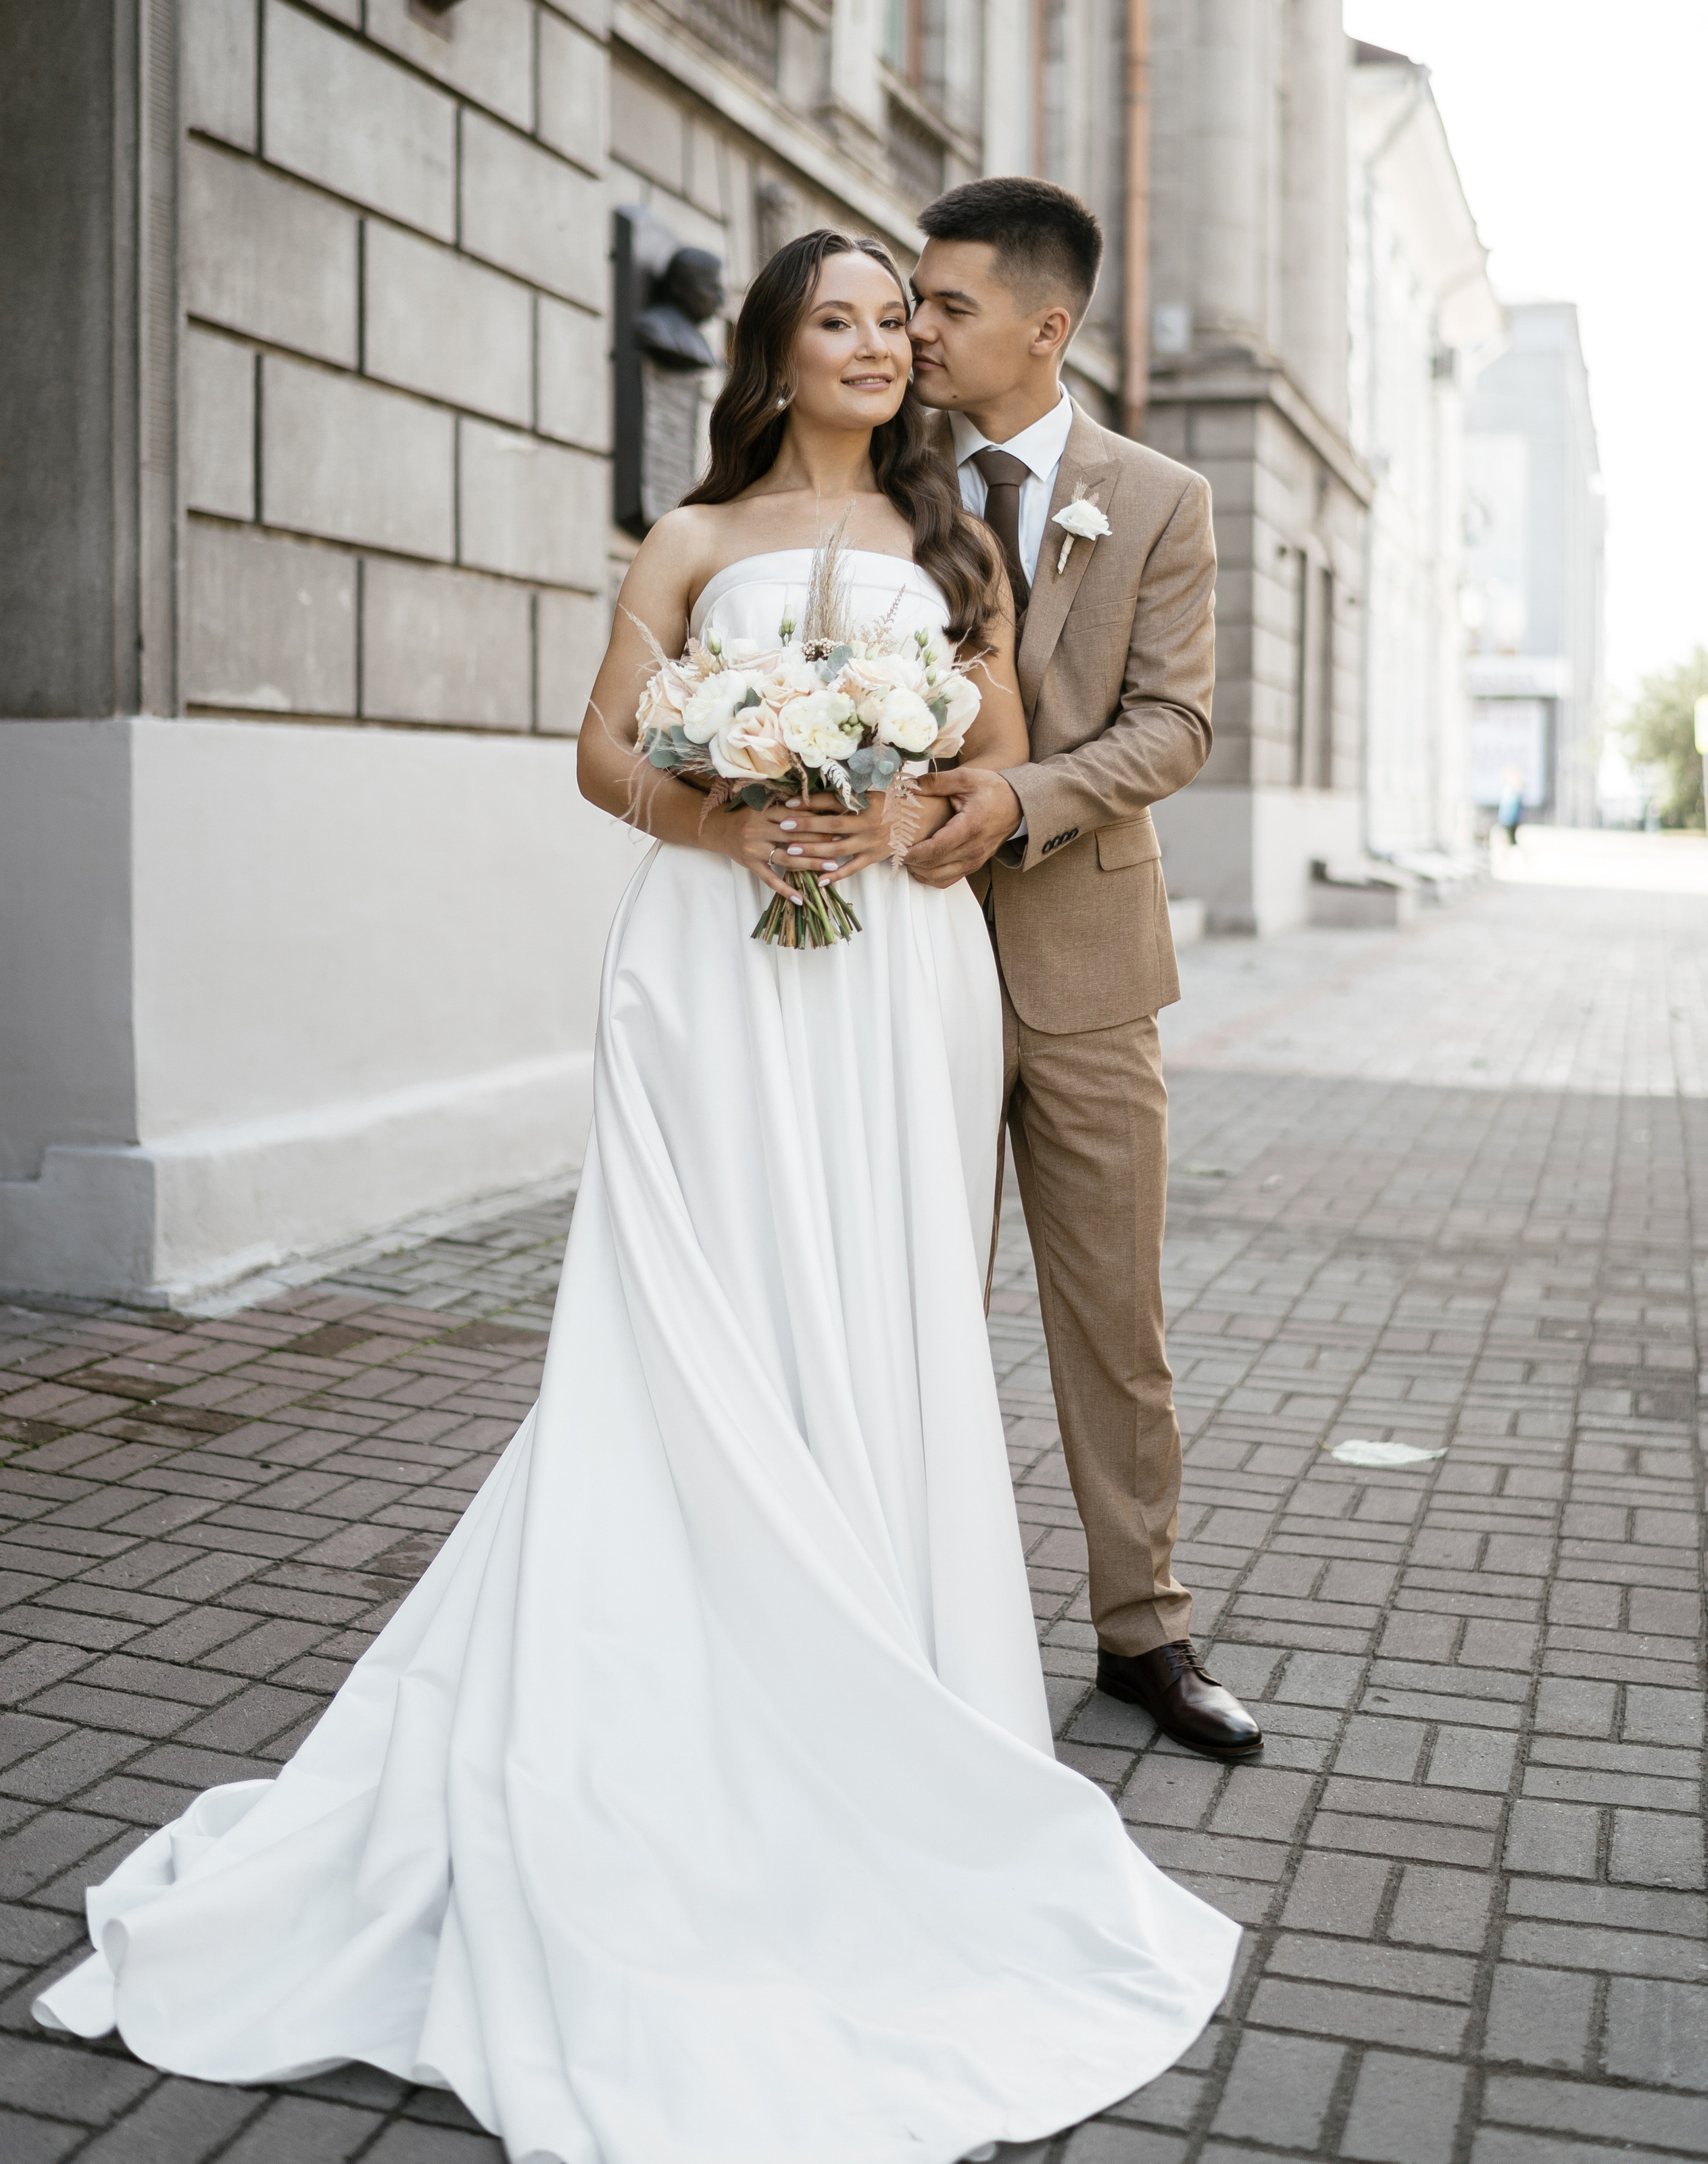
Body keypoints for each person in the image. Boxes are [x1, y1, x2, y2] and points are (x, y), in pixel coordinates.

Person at [36, 231, 1236, 2164]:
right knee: (700, 1309)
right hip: (709, 968)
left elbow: (1000, 756)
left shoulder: (965, 554)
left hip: (893, 982)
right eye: (836, 322)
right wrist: (742, 811)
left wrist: (899, 816)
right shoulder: (687, 538)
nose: (875, 346)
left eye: (892, 323)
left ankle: (882, 1673)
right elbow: (605, 752)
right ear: (771, 354)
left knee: (875, 1314)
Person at [904, 176, 1262, 1760]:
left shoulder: (1160, 496)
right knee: (904, 1300)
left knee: (1114, 1319)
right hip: (897, 962)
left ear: (1043, 329)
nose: (912, 330)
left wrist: (1019, 800)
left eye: (945, 307)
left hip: (1087, 964)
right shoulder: (873, 478)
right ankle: (902, 1613)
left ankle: (1145, 1635)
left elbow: (1175, 723)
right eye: (908, 302)